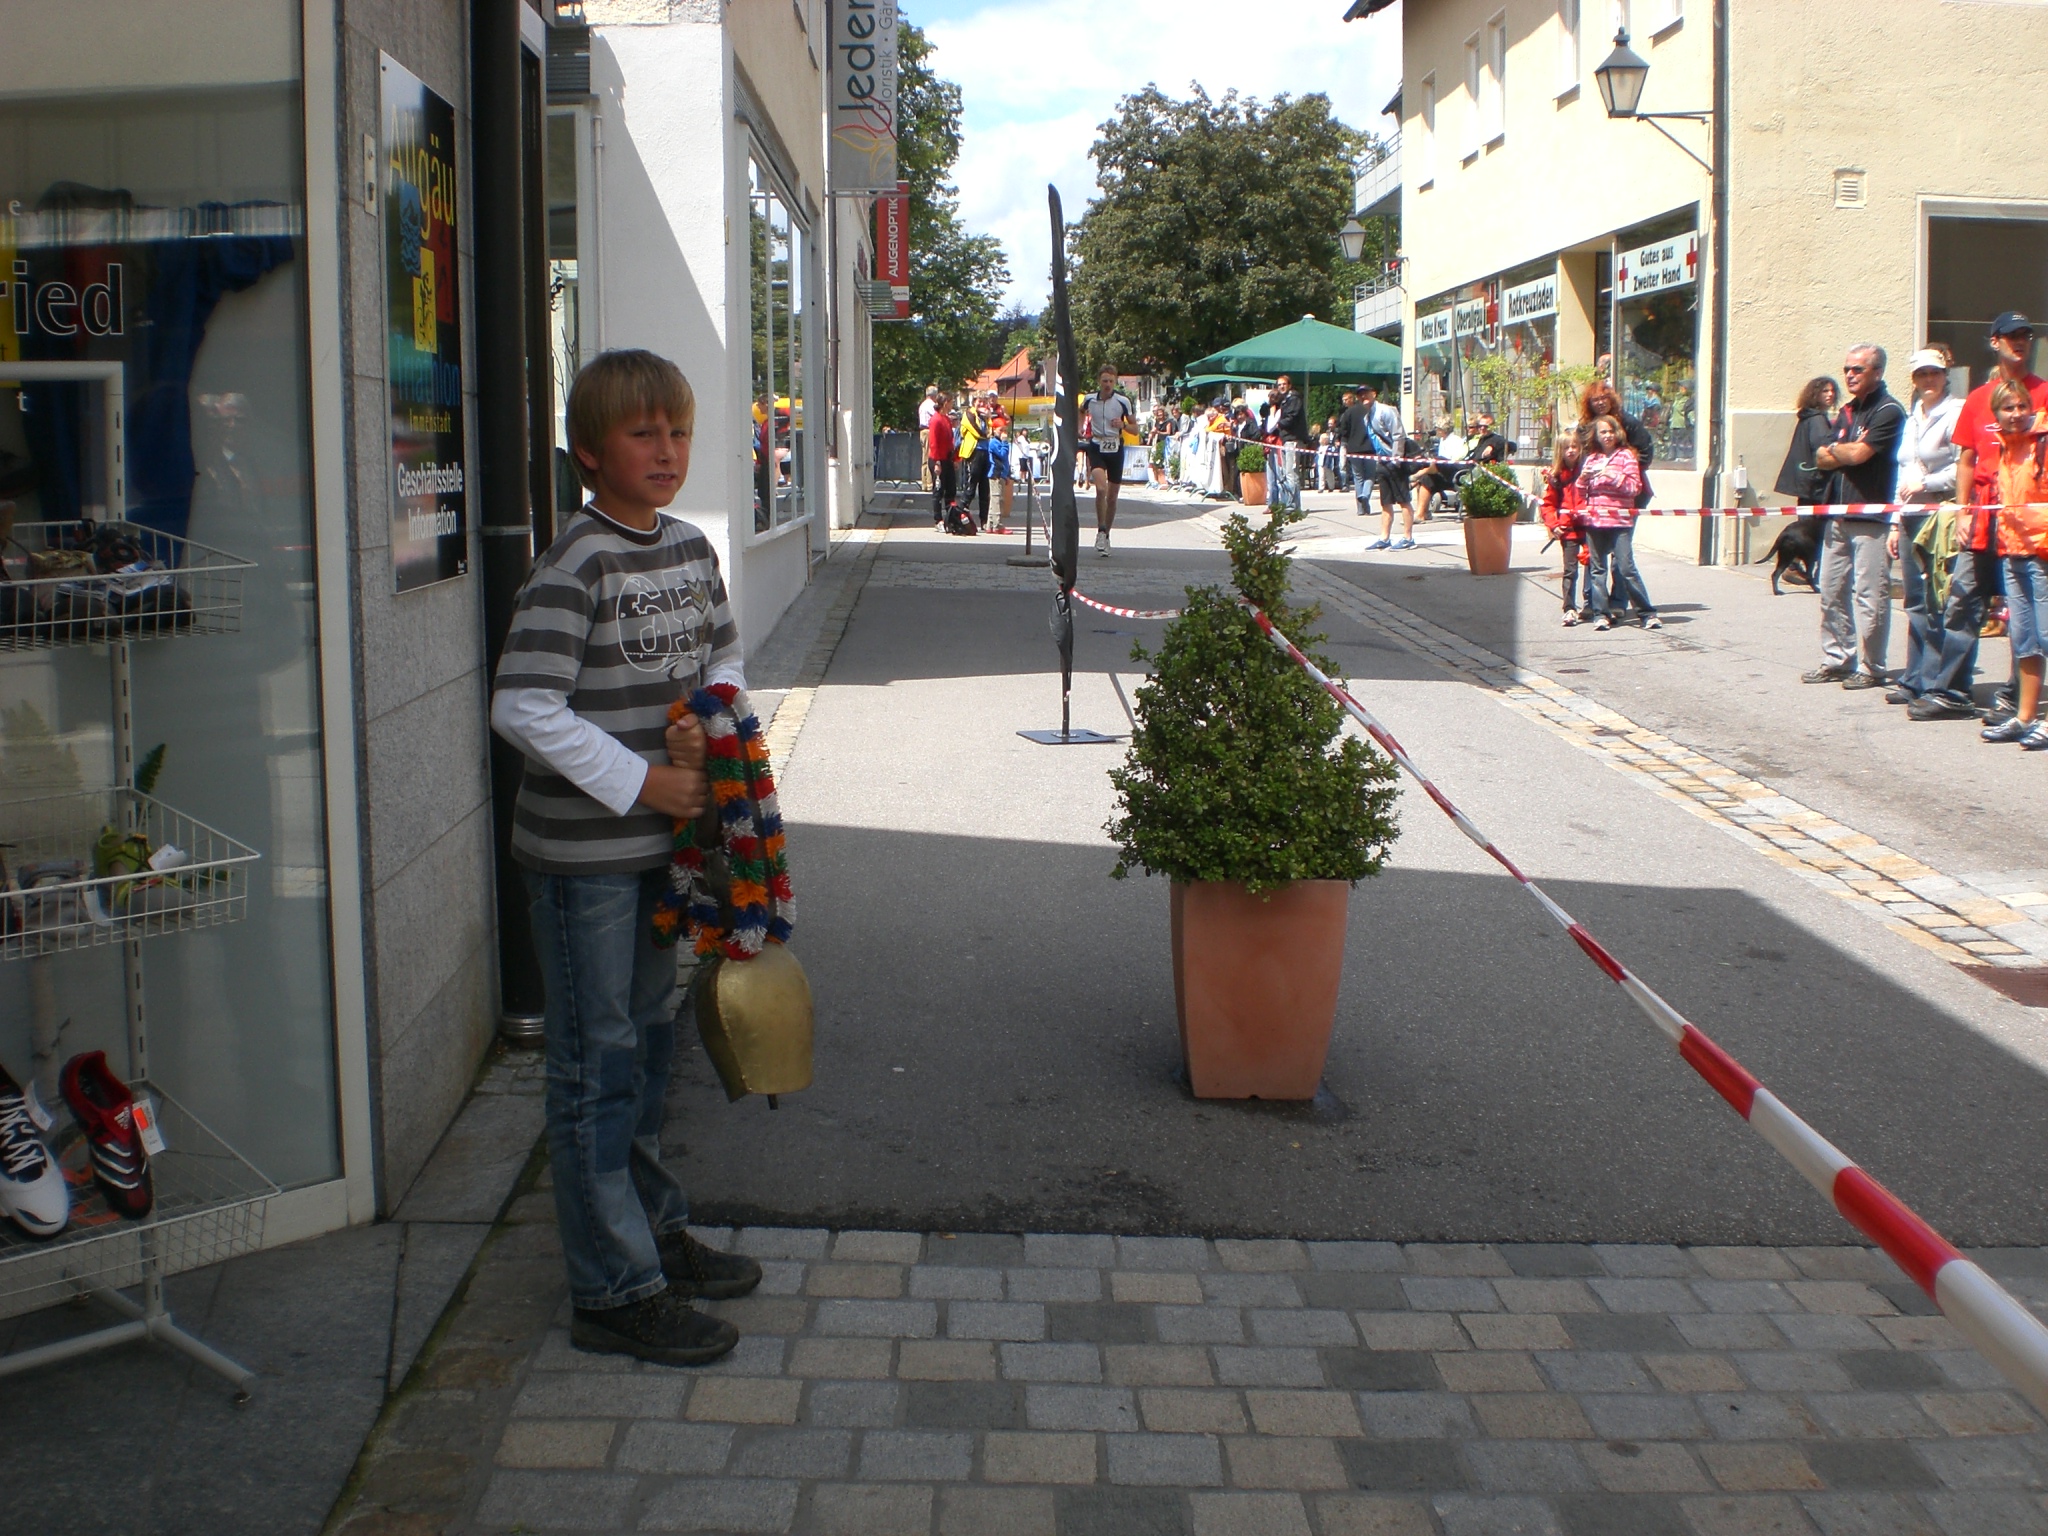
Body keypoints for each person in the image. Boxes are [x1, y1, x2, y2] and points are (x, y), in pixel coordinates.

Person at [491, 349, 763, 1369]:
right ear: (589, 452)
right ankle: (611, 1290)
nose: (666, 450)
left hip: (662, 855)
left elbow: (723, 657)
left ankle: (650, 1232)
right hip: (585, 863)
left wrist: (708, 718)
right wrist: (644, 781)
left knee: (646, 1050)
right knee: (594, 1064)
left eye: (678, 431)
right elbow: (522, 706)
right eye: (642, 433)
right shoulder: (576, 565)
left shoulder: (689, 548)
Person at [1801, 344, 1905, 688]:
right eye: (1847, 369)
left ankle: (1872, 667)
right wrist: (1840, 451)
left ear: (1878, 372)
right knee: (1830, 591)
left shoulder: (1888, 411)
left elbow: (1861, 454)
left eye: (1858, 369)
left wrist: (1841, 451)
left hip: (1871, 517)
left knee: (1870, 596)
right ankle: (1838, 659)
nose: (1849, 375)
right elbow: (1820, 457)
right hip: (1838, 515)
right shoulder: (1847, 411)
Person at [1886, 350, 1962, 706]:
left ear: (1945, 375)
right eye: (1921, 374)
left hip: (1940, 515)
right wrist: (1893, 521)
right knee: (1914, 600)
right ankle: (1913, 678)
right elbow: (1902, 472)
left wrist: (1927, 483)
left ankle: (1934, 679)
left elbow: (1964, 467)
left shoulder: (1955, 412)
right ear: (1913, 380)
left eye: (1934, 373)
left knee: (1937, 600)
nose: (1928, 380)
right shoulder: (1912, 416)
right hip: (1909, 516)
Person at [1978, 381, 2048, 748]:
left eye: (2022, 406)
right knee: (2024, 641)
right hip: (2014, 553)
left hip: (2043, 553)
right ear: (1997, 414)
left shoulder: (2043, 441)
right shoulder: (2005, 445)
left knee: (2047, 637)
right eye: (2008, 408)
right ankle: (2025, 717)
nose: (2017, 414)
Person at [1580, 414, 1660, 631]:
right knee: (1597, 570)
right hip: (1595, 520)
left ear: (1617, 433)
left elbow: (1634, 488)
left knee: (1626, 568)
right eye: (1602, 432)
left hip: (1619, 521)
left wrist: (1611, 476)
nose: (1607, 436)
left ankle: (1647, 613)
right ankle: (1601, 614)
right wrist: (1583, 479)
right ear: (1596, 436)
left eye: (1610, 431)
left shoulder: (1626, 457)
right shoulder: (1592, 458)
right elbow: (1581, 492)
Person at [1540, 427, 1590, 624]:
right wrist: (1553, 525)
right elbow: (1548, 504)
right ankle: (1569, 608)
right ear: (1560, 451)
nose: (1571, 451)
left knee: (1593, 567)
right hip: (1567, 531)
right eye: (1566, 447)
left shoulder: (1587, 471)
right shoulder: (1556, 476)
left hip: (1588, 528)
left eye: (1574, 446)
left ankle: (1591, 604)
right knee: (1570, 570)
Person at [1578, 382, 1654, 507]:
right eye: (1595, 400)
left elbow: (1645, 452)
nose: (1601, 403)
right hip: (1595, 497)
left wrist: (1622, 469)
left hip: (1625, 496)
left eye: (1604, 398)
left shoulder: (1629, 423)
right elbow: (1579, 455)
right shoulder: (1584, 427)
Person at [1084, 366, 1134, 554]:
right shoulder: (1090, 399)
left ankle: (1106, 535)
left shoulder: (1123, 401)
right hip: (1097, 445)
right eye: (1104, 381)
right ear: (1099, 381)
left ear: (1115, 382)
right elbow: (1080, 411)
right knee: (1101, 488)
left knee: (1112, 497)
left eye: (1111, 381)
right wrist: (1079, 429)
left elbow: (1135, 429)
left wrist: (1123, 425)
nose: (1107, 384)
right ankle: (1100, 529)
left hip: (1115, 447)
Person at [1773, 376, 1841, 505]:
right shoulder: (1817, 420)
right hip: (1816, 485)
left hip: (1807, 484)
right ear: (1815, 394)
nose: (1830, 394)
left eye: (1832, 391)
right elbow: (1823, 448)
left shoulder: (1808, 417)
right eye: (1825, 391)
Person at [1264, 374, 1313, 514]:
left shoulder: (1294, 399)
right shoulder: (1285, 400)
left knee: (1291, 474)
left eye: (1284, 384)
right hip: (1286, 440)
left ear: (1289, 385)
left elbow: (1291, 417)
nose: (1281, 387)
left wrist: (1278, 424)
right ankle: (1290, 503)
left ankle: (1293, 505)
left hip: (1293, 440)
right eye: (1279, 385)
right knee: (1286, 474)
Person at [957, 393, 991, 528]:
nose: (982, 404)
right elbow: (978, 432)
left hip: (985, 451)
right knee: (971, 485)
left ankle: (984, 520)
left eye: (984, 402)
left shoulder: (985, 417)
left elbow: (992, 430)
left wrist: (988, 418)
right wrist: (987, 434)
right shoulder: (969, 414)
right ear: (974, 402)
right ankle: (960, 512)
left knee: (985, 488)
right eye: (979, 402)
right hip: (973, 452)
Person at [925, 394, 956, 526]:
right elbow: (933, 442)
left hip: (947, 459)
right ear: (945, 403)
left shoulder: (946, 419)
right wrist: (937, 462)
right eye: (951, 402)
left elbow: (950, 441)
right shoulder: (936, 420)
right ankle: (938, 519)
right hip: (938, 459)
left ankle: (950, 517)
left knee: (951, 489)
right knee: (938, 490)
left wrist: (954, 458)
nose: (952, 405)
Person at [985, 419, 1014, 530]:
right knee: (997, 500)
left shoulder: (999, 442)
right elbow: (1002, 454)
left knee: (994, 499)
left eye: (1005, 430)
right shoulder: (994, 442)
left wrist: (1007, 474)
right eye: (1001, 430)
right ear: (994, 430)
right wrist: (1005, 442)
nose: (1003, 433)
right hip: (996, 474)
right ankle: (997, 525)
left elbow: (1006, 461)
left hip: (1001, 474)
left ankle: (990, 524)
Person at [917, 385, 941, 492]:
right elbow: (937, 416)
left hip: (922, 431)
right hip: (929, 431)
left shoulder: (922, 405)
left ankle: (924, 483)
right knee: (930, 457)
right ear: (934, 395)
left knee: (924, 458)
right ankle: (930, 483)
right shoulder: (931, 405)